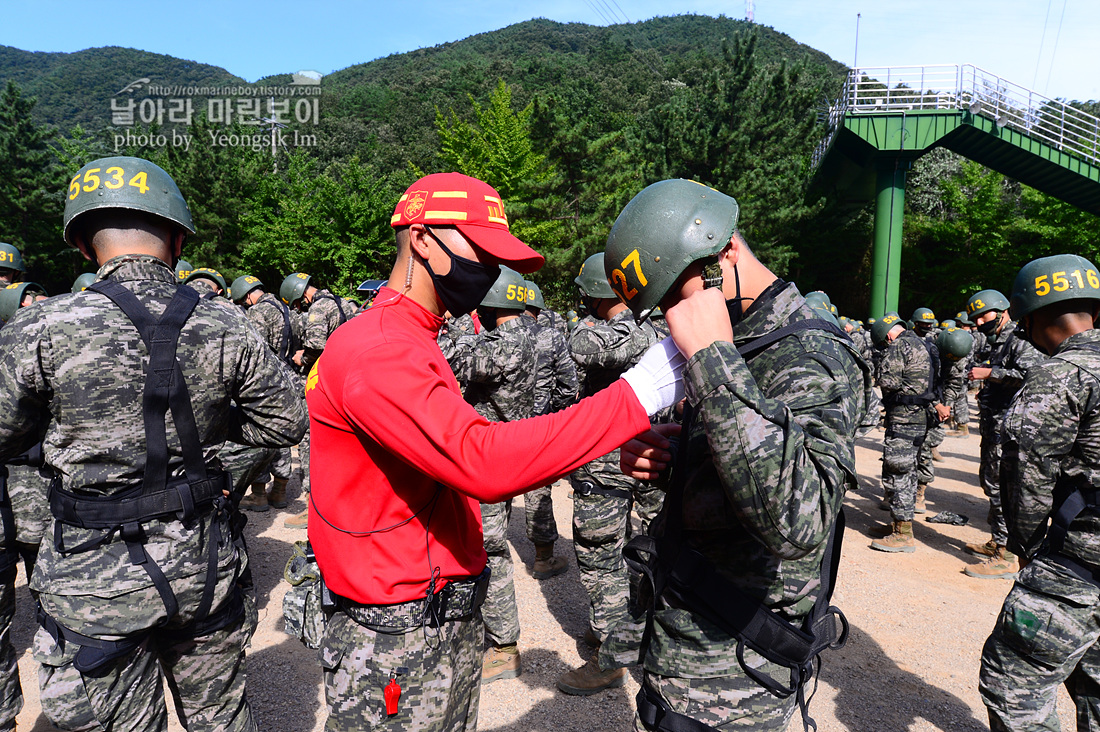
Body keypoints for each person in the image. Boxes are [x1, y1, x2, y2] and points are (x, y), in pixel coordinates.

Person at [306, 172, 685, 731]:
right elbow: (478, 459)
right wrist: (640, 392)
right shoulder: (382, 349)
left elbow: (473, 437)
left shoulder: (410, 336)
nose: (487, 271)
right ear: (423, 240)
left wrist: (603, 434)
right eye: (478, 251)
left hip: (428, 615)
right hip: (395, 633)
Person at [0, 155, 308, 731]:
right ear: (177, 237)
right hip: (205, 564)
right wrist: (215, 431)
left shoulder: (40, 327)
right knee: (221, 719)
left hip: (94, 581)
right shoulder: (225, 323)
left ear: (86, 247)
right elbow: (287, 421)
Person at [609, 179, 868, 731]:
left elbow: (800, 519)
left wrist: (710, 358)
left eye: (676, 297)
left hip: (732, 676)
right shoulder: (741, 336)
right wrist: (680, 461)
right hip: (682, 647)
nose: (672, 320)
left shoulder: (811, 354)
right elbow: (748, 462)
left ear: (721, 255)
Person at [978, 254, 1100, 730]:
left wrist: (1029, 547)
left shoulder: (1063, 373)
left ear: (1028, 319)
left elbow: (1026, 472)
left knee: (1014, 685)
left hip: (1079, 563)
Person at [558, 252, 664, 696]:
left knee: (601, 556)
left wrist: (581, 326)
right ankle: (641, 633)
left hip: (610, 462)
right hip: (657, 458)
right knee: (653, 550)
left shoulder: (620, 330)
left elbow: (581, 347)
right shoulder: (662, 324)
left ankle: (609, 652)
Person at [443, 266, 537, 683]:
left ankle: (503, 645)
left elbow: (453, 360)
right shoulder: (529, 336)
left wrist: (457, 320)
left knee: (488, 549)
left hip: (489, 458)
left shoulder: (503, 345)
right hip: (509, 451)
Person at [965, 288, 1043, 579]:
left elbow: (1030, 376)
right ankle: (998, 540)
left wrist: (989, 374)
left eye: (982, 315)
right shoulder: (998, 340)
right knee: (991, 482)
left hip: (1008, 426)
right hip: (994, 422)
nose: (979, 322)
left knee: (1002, 486)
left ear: (1000, 310)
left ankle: (1006, 555)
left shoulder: (1020, 339)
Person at [280, 271, 357, 528]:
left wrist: (302, 358)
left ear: (302, 294)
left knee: (310, 439)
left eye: (298, 304)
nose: (300, 309)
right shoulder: (344, 302)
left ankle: (313, 504)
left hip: (322, 381)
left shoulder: (318, 308)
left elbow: (315, 345)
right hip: (346, 381)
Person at [868, 314, 941, 552]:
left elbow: (888, 382)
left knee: (897, 471)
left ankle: (902, 533)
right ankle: (899, 524)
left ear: (888, 335)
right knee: (909, 471)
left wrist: (879, 371)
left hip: (904, 416)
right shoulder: (925, 343)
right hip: (921, 415)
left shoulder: (899, 346)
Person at [231, 275, 303, 513]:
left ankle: (259, 495)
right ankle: (280, 491)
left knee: (261, 430)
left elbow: (253, 348)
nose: (246, 304)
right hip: (289, 376)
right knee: (281, 430)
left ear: (249, 295)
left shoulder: (258, 313)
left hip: (265, 378)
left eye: (244, 300)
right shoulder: (287, 308)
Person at [521, 279, 578, 580]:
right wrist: (552, 411)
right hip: (538, 425)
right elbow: (570, 386)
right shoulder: (551, 336)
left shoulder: (494, 336)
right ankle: (543, 558)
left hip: (499, 424)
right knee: (536, 487)